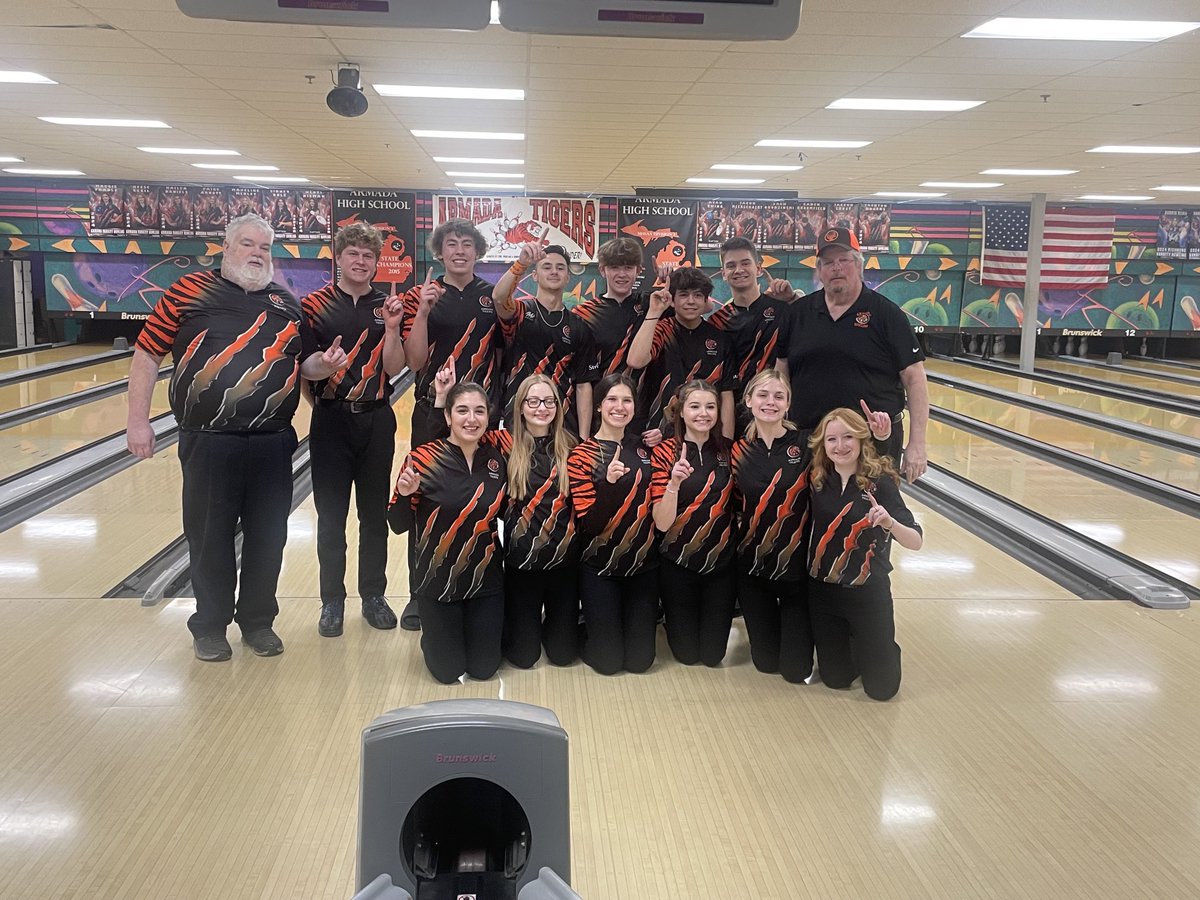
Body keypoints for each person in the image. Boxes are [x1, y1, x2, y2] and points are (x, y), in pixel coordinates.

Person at [127, 213, 349, 662]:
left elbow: (300, 366)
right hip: (208, 440)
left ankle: (257, 622)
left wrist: (323, 366)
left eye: (264, 247)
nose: (256, 253)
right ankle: (209, 626)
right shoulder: (187, 292)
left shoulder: (287, 303)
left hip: (272, 441)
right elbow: (147, 356)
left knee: (269, 537)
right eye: (247, 244)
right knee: (209, 536)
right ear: (225, 248)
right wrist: (137, 421)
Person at [730, 370, 892, 683]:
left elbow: (854, 461)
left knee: (795, 671)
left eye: (779, 396)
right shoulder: (737, 451)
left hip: (798, 572)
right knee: (766, 663)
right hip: (752, 569)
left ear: (788, 404)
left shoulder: (806, 444)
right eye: (762, 395)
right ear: (748, 401)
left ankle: (857, 642)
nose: (771, 402)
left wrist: (881, 440)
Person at [433, 365, 580, 667]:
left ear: (558, 406)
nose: (542, 408)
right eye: (533, 401)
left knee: (564, 656)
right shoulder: (502, 443)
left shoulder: (573, 447)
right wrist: (442, 400)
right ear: (521, 407)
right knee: (523, 658)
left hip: (565, 565)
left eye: (549, 401)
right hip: (520, 565)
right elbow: (451, 440)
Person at [301, 222, 405, 638]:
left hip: (377, 418)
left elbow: (396, 368)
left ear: (376, 263)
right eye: (353, 254)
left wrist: (394, 330)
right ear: (339, 257)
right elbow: (304, 368)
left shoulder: (389, 306)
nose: (361, 262)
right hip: (331, 420)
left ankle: (374, 596)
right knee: (330, 518)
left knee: (374, 516)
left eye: (368, 256)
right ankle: (331, 601)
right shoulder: (314, 304)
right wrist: (326, 368)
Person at [398, 218, 501, 631]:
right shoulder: (418, 295)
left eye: (467, 245)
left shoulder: (494, 296)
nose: (459, 251)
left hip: (480, 417)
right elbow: (414, 360)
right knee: (424, 500)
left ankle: (480, 582)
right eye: (451, 245)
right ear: (440, 252)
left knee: (483, 502)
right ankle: (419, 595)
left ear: (477, 252)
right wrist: (423, 310)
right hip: (432, 411)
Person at [776, 227, 929, 480]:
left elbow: (915, 378)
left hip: (873, 441)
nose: (836, 267)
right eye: (828, 262)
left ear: (859, 265)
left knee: (873, 516)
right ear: (819, 271)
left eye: (843, 260)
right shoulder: (798, 313)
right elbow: (782, 371)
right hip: (810, 439)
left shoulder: (886, 314)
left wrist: (917, 444)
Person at [387, 381, 506, 684]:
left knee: (484, 670)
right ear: (449, 416)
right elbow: (398, 524)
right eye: (462, 411)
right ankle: (436, 633)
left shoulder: (496, 459)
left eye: (479, 411)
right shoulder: (422, 459)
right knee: (447, 671)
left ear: (488, 417)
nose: (471, 419)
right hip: (437, 582)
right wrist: (403, 494)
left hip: (485, 581)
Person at [806, 407, 923, 701]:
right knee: (836, 679)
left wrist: (889, 522)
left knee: (882, 690)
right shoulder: (817, 479)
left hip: (868, 592)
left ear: (861, 440)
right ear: (823, 444)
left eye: (848, 437)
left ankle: (880, 645)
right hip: (824, 592)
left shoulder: (880, 482)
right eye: (831, 439)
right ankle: (856, 640)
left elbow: (915, 541)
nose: (840, 446)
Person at [567, 374, 658, 675]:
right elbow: (589, 525)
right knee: (608, 663)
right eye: (612, 400)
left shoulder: (646, 449)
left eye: (627, 400)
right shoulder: (581, 456)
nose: (620, 407)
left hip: (642, 568)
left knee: (640, 663)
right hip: (599, 568)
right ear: (598, 406)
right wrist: (608, 484)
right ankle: (584, 625)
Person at [650, 381, 736, 667]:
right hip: (677, 563)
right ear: (681, 413)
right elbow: (661, 524)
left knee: (713, 657)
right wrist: (674, 482)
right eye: (695, 406)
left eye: (710, 407)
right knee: (687, 656)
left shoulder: (729, 452)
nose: (704, 413)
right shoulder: (664, 453)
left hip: (720, 565)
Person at [572, 236, 673, 441]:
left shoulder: (653, 303)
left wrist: (672, 280)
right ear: (602, 270)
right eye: (614, 267)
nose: (621, 274)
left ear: (638, 270)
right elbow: (582, 379)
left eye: (628, 267)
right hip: (600, 416)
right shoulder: (584, 313)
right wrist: (583, 436)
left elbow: (701, 307)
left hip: (643, 418)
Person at [493, 241, 593, 435]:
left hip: (562, 426)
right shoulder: (520, 312)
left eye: (560, 267)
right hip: (518, 423)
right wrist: (521, 263)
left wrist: (583, 438)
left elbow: (583, 385)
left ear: (567, 278)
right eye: (546, 267)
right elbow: (498, 297)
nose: (554, 271)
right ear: (535, 276)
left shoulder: (579, 327)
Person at [625, 267, 737, 439]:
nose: (691, 301)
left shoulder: (720, 339)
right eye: (684, 295)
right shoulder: (660, 330)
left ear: (706, 300)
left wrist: (726, 443)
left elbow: (726, 394)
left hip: (705, 437)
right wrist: (655, 311)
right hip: (658, 435)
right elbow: (635, 361)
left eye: (698, 295)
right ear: (672, 300)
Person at [707, 237, 796, 435]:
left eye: (745, 263)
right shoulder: (717, 322)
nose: (738, 270)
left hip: (776, 413)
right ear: (723, 274)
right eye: (731, 265)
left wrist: (793, 299)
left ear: (758, 268)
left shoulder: (784, 311)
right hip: (732, 419)